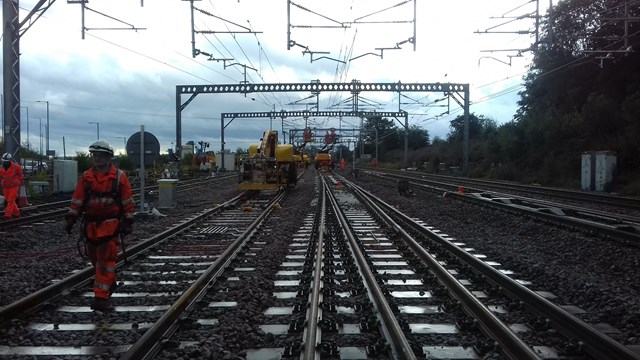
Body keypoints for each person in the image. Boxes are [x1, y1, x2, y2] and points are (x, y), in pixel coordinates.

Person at [64, 140, 135, 312]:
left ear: (109, 157)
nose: (98, 159)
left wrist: (128, 221)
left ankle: (100, 298)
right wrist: (71, 218)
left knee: (105, 262)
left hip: (110, 226)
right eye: (95, 156)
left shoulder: (119, 177)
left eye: (101, 156)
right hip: (90, 227)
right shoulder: (87, 177)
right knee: (96, 261)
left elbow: (127, 201)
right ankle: (109, 285)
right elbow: (78, 199)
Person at [0, 153, 24, 219]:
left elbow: (20, 177)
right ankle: (16, 213)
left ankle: (7, 215)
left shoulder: (16, 167)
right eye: (3, 161)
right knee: (9, 200)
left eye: (6, 161)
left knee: (10, 200)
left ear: (10, 161)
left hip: (14, 186)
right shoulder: (1, 168)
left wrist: (22, 185)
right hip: (5, 187)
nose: (4, 163)